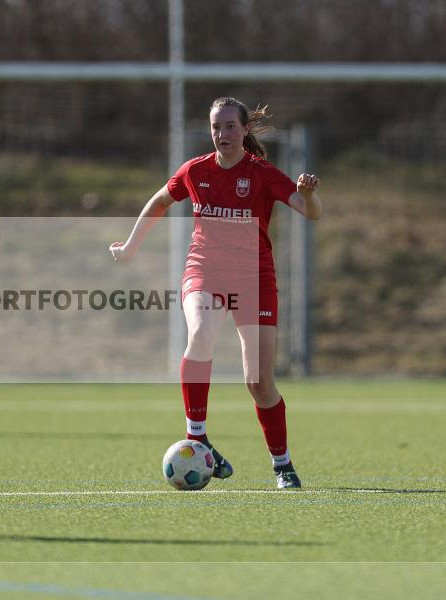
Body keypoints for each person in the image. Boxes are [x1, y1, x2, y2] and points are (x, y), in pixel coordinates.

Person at [110, 97, 323, 489]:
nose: (222, 133)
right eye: (216, 127)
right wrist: (130, 246)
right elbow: (160, 200)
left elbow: (311, 212)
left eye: (229, 126)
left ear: (244, 131)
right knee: (199, 334)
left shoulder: (261, 173)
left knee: (258, 383)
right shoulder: (196, 171)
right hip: (204, 271)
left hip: (253, 279)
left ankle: (283, 465)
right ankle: (197, 435)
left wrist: (307, 195)